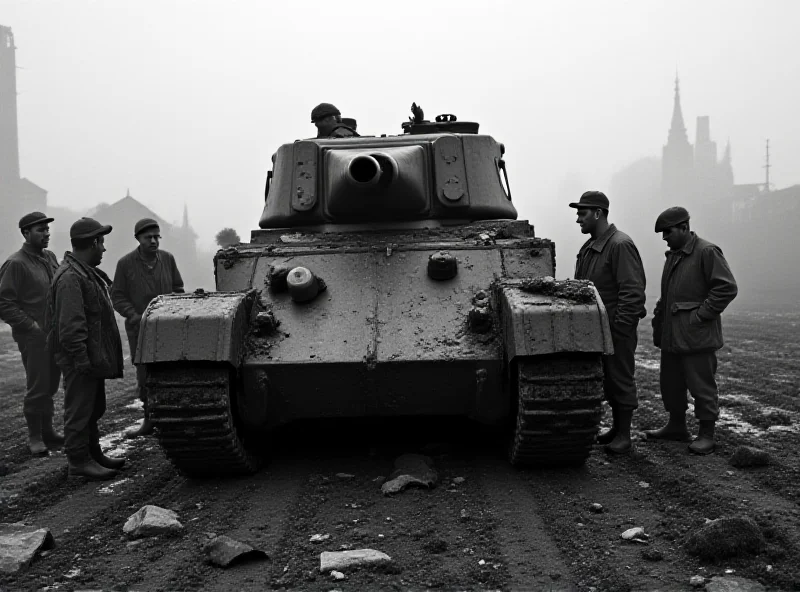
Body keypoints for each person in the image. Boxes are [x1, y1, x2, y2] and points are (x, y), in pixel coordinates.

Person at [645, 207, 738, 455]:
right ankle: (677, 426)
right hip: (672, 335)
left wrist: (701, 315)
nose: (664, 237)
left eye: (668, 231)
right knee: (671, 383)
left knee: (701, 385)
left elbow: (726, 288)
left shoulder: (707, 252)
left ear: (684, 228)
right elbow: (670, 295)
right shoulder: (674, 255)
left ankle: (707, 433)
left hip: (697, 336)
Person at [45, 217, 125, 480]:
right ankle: (79, 461)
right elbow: (71, 326)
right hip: (79, 358)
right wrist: (81, 359)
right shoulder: (70, 277)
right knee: (79, 411)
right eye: (101, 242)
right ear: (92, 242)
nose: (103, 249)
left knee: (92, 407)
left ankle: (93, 454)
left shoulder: (82, 272)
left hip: (88, 357)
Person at [571, 191, 647, 454]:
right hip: (597, 327)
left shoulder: (619, 244)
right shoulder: (591, 246)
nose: (578, 219)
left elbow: (633, 291)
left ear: (598, 213)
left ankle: (624, 435)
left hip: (615, 327)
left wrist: (621, 328)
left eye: (582, 213)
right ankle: (616, 429)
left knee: (621, 378)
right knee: (608, 380)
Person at [112, 218, 184, 438]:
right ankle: (149, 418)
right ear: (138, 239)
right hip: (140, 329)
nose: (153, 241)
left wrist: (174, 310)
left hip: (167, 327)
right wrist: (134, 316)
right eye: (148, 238)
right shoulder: (125, 264)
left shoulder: (167, 259)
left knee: (172, 371)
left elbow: (178, 288)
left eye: (156, 237)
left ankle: (175, 418)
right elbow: (117, 296)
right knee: (145, 376)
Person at [0, 212, 62, 455]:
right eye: (40, 230)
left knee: (51, 384)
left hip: (54, 335)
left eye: (47, 229)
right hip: (33, 337)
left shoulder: (50, 258)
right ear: (25, 233)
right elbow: (4, 302)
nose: (47, 233)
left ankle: (48, 431)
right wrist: (31, 326)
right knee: (38, 386)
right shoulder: (16, 264)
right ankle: (35, 436)